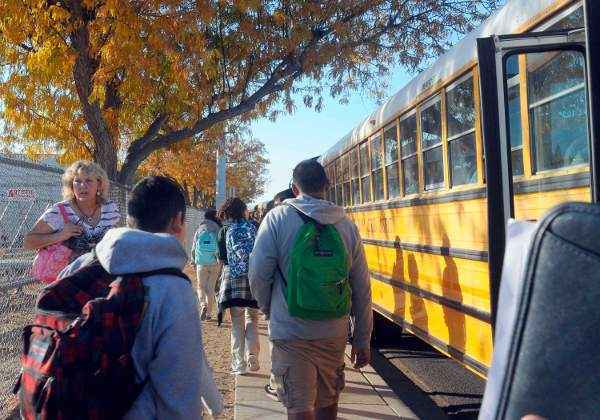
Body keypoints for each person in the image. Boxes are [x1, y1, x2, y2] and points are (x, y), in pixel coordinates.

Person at [60, 176, 222, 419]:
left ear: (129, 220)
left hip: (68, 405)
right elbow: (179, 390)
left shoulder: (81, 266)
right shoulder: (173, 288)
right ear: (178, 222)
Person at [249, 159, 373, 420]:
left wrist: (269, 308)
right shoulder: (346, 225)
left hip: (291, 330)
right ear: (326, 186)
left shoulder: (277, 218)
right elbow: (361, 286)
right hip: (333, 330)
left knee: (298, 406)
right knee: (327, 403)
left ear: (295, 188)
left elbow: (258, 274)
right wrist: (362, 338)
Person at [24, 160, 120, 260]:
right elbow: (28, 242)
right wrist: (60, 235)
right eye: (77, 181)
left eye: (88, 181)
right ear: (71, 186)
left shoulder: (111, 209)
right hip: (69, 274)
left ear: (99, 185)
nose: (83, 186)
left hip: (103, 273)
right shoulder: (59, 211)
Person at [218, 197, 260, 375]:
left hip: (234, 278)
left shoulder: (227, 229)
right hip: (254, 276)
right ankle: (253, 354)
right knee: (253, 318)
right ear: (244, 210)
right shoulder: (253, 227)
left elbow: (225, 256)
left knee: (237, 322)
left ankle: (239, 364)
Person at [190, 209, 222, 320]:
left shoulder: (200, 228)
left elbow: (194, 246)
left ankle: (203, 305)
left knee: (201, 287)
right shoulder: (218, 228)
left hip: (201, 262)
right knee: (211, 288)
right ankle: (208, 314)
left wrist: (193, 260)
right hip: (214, 262)